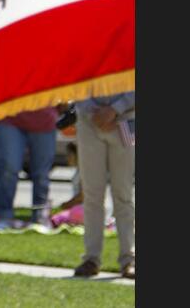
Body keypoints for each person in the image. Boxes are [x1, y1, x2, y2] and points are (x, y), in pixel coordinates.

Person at [73, 90, 135, 280]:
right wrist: (94, 112)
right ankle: (91, 259)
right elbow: (77, 82)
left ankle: (129, 259)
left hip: (127, 120)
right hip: (89, 122)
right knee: (92, 194)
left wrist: (114, 110)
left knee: (123, 193)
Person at [0, 106, 59, 224]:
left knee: (41, 175)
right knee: (8, 169)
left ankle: (40, 215)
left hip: (45, 119)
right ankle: (3, 215)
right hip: (9, 116)